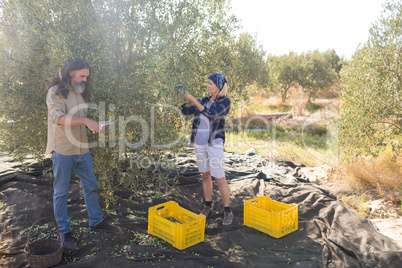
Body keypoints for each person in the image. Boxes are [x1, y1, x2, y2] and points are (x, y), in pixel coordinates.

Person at [45, 57, 113, 252]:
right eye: (82, 75)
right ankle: (64, 233)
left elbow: (80, 119)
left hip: (83, 150)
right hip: (63, 151)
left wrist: (93, 125)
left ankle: (96, 221)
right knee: (61, 193)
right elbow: (57, 117)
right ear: (71, 73)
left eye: (86, 77)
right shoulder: (55, 92)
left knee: (91, 186)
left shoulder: (81, 92)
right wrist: (85, 121)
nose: (84, 79)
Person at [178, 72, 234, 225]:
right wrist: (182, 97)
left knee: (220, 178)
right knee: (206, 176)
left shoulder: (225, 101)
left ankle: (227, 211)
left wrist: (194, 101)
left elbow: (211, 114)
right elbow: (185, 111)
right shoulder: (203, 100)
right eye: (208, 83)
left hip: (214, 144)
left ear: (219, 86)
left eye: (210, 83)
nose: (208, 86)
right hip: (199, 144)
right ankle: (207, 206)